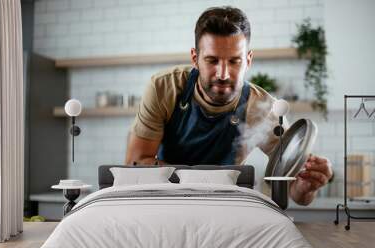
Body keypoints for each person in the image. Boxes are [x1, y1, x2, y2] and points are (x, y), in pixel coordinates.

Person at [125, 6, 333, 205]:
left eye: (234, 61)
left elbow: (294, 191)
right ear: (195, 59)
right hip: (163, 202)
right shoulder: (164, 88)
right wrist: (199, 182)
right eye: (212, 60)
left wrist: (307, 186)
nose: (223, 74)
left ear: (248, 60)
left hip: (224, 207)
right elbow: (135, 164)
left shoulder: (263, 108)